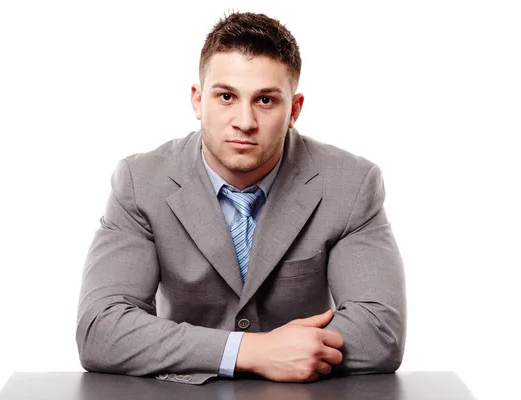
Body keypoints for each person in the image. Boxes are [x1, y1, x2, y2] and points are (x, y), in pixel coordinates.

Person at [76, 11, 406, 385]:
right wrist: (252, 352)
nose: (244, 121)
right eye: (226, 96)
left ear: (294, 110)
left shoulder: (350, 184)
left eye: (265, 100)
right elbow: (100, 329)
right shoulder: (141, 182)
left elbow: (380, 332)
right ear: (198, 101)